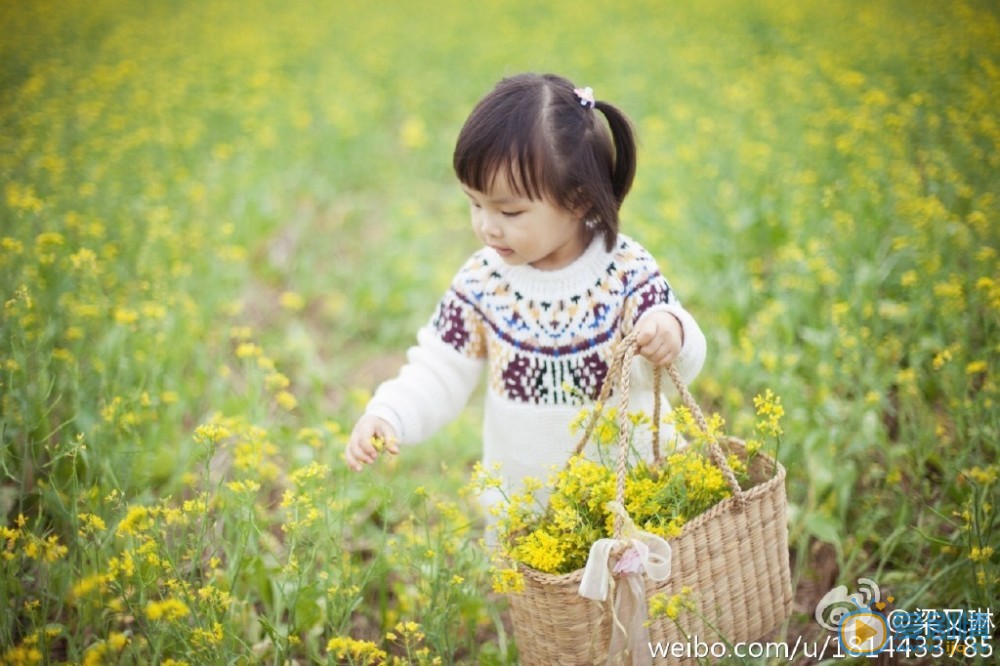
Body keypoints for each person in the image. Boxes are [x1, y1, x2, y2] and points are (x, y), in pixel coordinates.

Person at [344, 73, 706, 513]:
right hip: (528, 509)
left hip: (631, 499)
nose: (487, 226)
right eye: (475, 203)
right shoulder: (483, 281)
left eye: (510, 211)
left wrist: (672, 332)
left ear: (577, 201)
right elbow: (439, 367)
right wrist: (390, 413)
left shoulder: (625, 272)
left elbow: (677, 370)